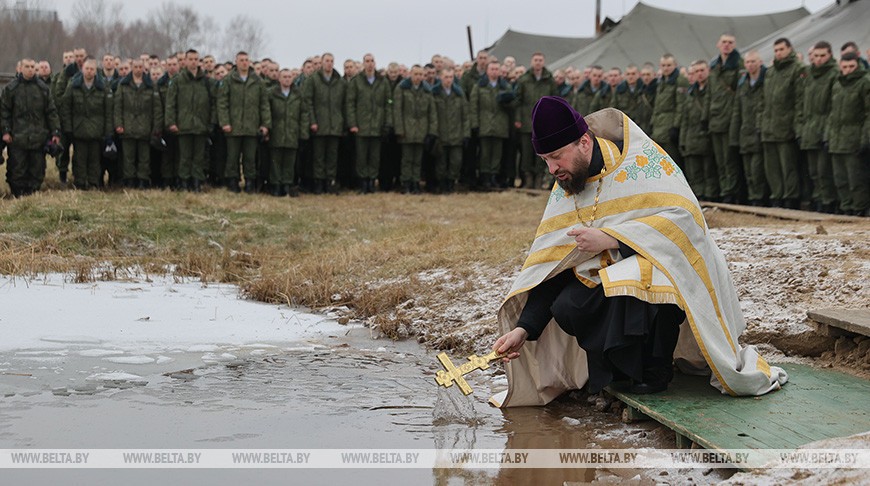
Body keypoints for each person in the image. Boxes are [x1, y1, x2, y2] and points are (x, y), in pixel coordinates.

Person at [489, 96, 787, 407]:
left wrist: (612, 238)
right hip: (605, 279)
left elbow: (685, 224)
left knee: (639, 278)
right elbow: (555, 264)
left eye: (556, 156)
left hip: (662, 269)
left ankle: (655, 371)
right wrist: (525, 328)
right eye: (544, 160)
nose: (552, 169)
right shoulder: (568, 185)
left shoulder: (641, 163)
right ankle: (614, 375)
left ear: (584, 143)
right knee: (568, 304)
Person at [1, 58, 61, 197]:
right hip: (17, 137)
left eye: (32, 66)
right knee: (17, 169)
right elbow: (4, 112)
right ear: (20, 68)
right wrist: (5, 131)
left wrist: (55, 132)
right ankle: (18, 195)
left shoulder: (43, 89)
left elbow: (51, 112)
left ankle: (33, 195)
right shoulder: (11, 89)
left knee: (37, 169)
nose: (30, 69)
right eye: (27, 66)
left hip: (38, 137)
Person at [759, 37, 806, 209]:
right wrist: (761, 122)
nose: (778, 53)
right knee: (772, 167)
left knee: (788, 166)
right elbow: (763, 100)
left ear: (789, 49)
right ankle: (777, 196)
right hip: (769, 126)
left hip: (786, 126)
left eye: (781, 49)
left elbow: (799, 100)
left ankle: (790, 198)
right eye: (776, 50)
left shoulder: (797, 69)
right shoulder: (771, 72)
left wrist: (796, 126)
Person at [218, 51, 270, 193]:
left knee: (250, 158)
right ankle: (233, 181)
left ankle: (249, 182)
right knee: (232, 157)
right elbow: (222, 103)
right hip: (233, 126)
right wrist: (225, 122)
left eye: (246, 60)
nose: (244, 62)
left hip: (251, 126)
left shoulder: (257, 81)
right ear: (236, 62)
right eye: (241, 60)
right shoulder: (229, 80)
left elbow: (264, 104)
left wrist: (265, 124)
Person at [826, 52, 869, 217]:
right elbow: (832, 113)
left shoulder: (864, 83)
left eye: (852, 66)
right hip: (837, 139)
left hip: (854, 139)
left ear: (857, 65)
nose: (848, 70)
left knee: (856, 179)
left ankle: (859, 209)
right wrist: (828, 136)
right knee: (840, 179)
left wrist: (865, 139)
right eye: (844, 67)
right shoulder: (837, 84)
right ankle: (846, 208)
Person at [61, 58, 114, 190]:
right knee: (79, 158)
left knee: (94, 160)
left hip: (97, 130)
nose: (89, 72)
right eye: (87, 68)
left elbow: (108, 112)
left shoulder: (103, 88)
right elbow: (66, 108)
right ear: (82, 69)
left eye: (92, 69)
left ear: (96, 71)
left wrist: (108, 132)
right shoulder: (73, 85)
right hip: (79, 129)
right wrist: (68, 128)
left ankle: (93, 183)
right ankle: (79, 183)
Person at [799, 41, 840, 213]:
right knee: (813, 171)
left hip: (825, 129)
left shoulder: (834, 74)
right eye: (816, 56)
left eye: (823, 55)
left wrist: (828, 133)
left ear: (830, 55)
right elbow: (803, 104)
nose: (819, 59)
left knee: (824, 171)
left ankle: (828, 202)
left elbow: (834, 107)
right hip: (810, 129)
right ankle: (818, 200)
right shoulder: (810, 75)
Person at [165, 49, 213, 192]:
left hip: (200, 125)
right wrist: (171, 122)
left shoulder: (205, 81)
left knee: (198, 157)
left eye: (196, 59)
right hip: (183, 125)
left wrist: (210, 123)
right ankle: (184, 182)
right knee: (185, 157)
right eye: (190, 59)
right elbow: (170, 103)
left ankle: (196, 183)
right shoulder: (178, 80)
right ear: (185, 61)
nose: (193, 62)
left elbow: (212, 103)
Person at [345, 53, 392, 193]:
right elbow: (350, 104)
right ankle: (363, 183)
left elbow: (388, 103)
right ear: (363, 63)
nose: (370, 64)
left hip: (377, 126)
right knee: (361, 157)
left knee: (374, 157)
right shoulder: (356, 81)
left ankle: (371, 182)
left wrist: (387, 123)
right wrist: (352, 123)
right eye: (367, 61)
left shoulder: (383, 81)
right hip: (362, 126)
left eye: (372, 61)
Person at [114, 58, 162, 189]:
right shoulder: (123, 85)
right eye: (135, 67)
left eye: (140, 67)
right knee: (128, 157)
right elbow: (118, 107)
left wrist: (156, 128)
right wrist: (118, 124)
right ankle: (129, 180)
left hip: (145, 128)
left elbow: (157, 109)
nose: (138, 69)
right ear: (132, 68)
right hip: (127, 127)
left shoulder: (151, 86)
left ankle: (142, 180)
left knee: (144, 158)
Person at [706, 34, 744, 204]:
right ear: (718, 45)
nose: (727, 45)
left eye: (730, 43)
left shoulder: (738, 64)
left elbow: (740, 93)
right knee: (720, 159)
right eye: (724, 42)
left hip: (730, 117)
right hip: (715, 117)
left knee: (729, 159)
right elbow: (709, 93)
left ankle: (731, 192)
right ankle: (724, 189)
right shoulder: (714, 67)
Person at [729, 50, 768, 207]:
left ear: (760, 62)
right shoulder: (743, 83)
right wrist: (734, 136)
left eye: (753, 61)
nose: (751, 65)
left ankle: (759, 197)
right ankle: (753, 197)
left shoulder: (765, 81)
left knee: (757, 168)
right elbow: (737, 111)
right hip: (745, 131)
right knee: (749, 171)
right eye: (748, 62)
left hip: (758, 130)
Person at [303, 52, 346, 194]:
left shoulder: (339, 81)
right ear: (322, 63)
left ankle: (330, 182)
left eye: (331, 61)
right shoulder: (313, 80)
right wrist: (313, 121)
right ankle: (319, 184)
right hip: (319, 125)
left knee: (332, 156)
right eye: (327, 61)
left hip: (335, 125)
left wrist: (342, 122)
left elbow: (344, 104)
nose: (329, 63)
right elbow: (308, 102)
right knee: (319, 157)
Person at [513, 52, 556, 190]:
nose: (538, 62)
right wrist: (518, 119)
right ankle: (528, 179)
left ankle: (538, 179)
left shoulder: (549, 80)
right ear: (532, 62)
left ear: (543, 62)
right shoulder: (524, 79)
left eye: (540, 60)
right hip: (526, 121)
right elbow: (517, 101)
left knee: (541, 153)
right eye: (536, 60)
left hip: (543, 122)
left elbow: (554, 101)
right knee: (526, 153)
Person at [392, 64, 437, 194]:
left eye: (420, 75)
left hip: (422, 130)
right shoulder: (402, 88)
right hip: (407, 129)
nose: (418, 77)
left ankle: (415, 183)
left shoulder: (427, 90)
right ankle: (406, 183)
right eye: (416, 74)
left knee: (418, 159)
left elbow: (432, 112)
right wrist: (399, 129)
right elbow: (397, 110)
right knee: (407, 159)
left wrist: (431, 131)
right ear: (411, 74)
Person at [470, 60, 514, 190]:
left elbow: (513, 105)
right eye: (492, 69)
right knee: (485, 153)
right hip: (485, 124)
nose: (494, 72)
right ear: (487, 71)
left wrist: (506, 102)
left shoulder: (505, 86)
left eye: (496, 69)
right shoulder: (479, 86)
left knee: (497, 154)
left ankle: (494, 176)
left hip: (500, 125)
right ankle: (485, 176)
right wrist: (475, 124)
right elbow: (474, 106)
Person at [267, 68, 308, 197]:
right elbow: (266, 112)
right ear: (279, 78)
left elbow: (304, 114)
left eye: (289, 77)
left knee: (290, 162)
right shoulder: (271, 93)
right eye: (284, 76)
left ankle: (286, 185)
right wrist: (268, 128)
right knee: (276, 161)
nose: (287, 79)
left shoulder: (298, 94)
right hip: (276, 132)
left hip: (292, 132)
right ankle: (276, 186)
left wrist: (303, 132)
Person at [679, 60, 715, 200]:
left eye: (702, 70)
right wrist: (683, 140)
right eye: (696, 71)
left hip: (706, 136)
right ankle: (699, 196)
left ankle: (710, 195)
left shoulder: (711, 90)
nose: (699, 74)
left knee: (709, 170)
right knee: (695, 172)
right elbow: (685, 120)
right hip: (692, 138)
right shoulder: (690, 94)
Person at [432, 66, 470, 193]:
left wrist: (466, 134)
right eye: (446, 77)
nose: (448, 80)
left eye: (451, 77)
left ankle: (451, 183)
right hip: (441, 135)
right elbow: (432, 115)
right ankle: (442, 184)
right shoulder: (435, 93)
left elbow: (465, 116)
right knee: (441, 163)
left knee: (456, 162)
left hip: (456, 134)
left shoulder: (459, 94)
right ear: (441, 78)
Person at [650, 54, 688, 170]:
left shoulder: (680, 80)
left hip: (669, 124)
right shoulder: (661, 81)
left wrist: (676, 126)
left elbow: (681, 105)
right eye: (663, 65)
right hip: (659, 125)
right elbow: (657, 105)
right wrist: (652, 122)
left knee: (673, 161)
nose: (666, 68)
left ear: (675, 65)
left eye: (669, 65)